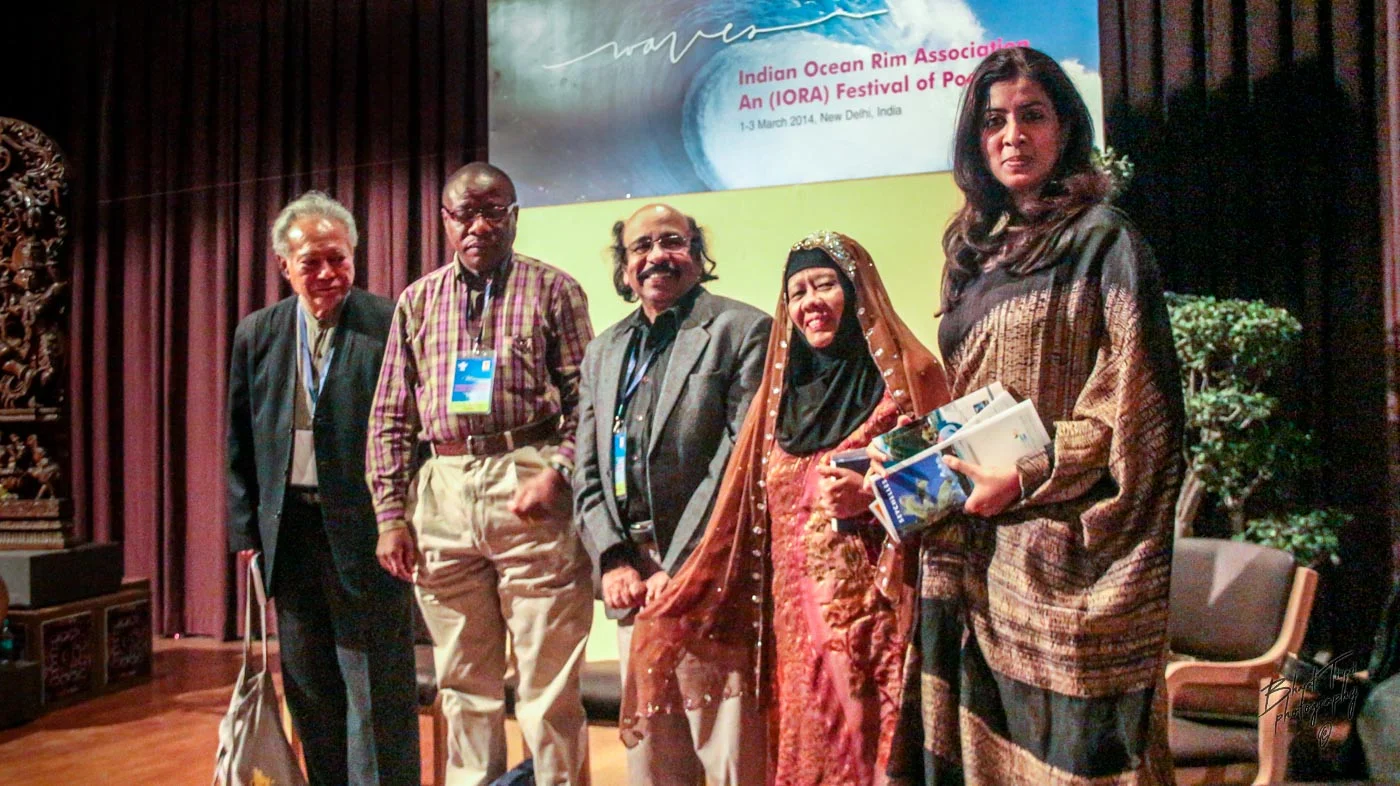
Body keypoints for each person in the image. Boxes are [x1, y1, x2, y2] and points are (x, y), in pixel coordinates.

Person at [885, 47, 1185, 785]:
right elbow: (967, 397)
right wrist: (904, 470)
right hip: (970, 553)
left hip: (1063, 560)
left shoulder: (1102, 239)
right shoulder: (972, 251)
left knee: (1075, 761)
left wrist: (1023, 477)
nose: (1011, 135)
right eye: (993, 121)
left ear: (1064, 127)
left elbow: (1130, 410)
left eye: (1031, 115)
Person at [620, 230, 950, 786]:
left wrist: (874, 496)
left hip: (882, 633)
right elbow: (737, 515)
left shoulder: (909, 382)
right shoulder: (778, 407)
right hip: (794, 638)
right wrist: (679, 592)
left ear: (859, 292)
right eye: (796, 292)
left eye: (824, 285)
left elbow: (950, 489)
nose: (810, 302)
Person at [367, 162, 594, 786]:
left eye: (493, 210)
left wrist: (559, 473)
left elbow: (588, 405)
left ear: (515, 216)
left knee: (548, 690)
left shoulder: (556, 291)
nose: (479, 224)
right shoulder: (418, 300)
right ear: (445, 222)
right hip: (441, 486)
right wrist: (390, 517)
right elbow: (390, 413)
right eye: (464, 213)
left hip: (530, 480)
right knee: (464, 686)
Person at [226, 190, 418, 786]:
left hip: (369, 532)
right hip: (291, 533)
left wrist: (403, 517)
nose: (328, 273)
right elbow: (239, 437)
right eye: (312, 261)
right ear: (285, 265)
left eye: (339, 258)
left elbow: (417, 432)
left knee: (376, 684)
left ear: (355, 257)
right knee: (308, 684)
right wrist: (246, 531)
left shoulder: (390, 323)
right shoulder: (257, 333)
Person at [574, 203, 771, 785]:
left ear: (697, 253)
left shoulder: (742, 331)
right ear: (625, 265)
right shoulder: (604, 351)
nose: (656, 256)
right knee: (654, 760)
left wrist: (684, 565)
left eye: (672, 242)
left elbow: (738, 461)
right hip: (635, 582)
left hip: (712, 578)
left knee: (729, 754)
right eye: (641, 247)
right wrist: (612, 558)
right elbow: (586, 464)